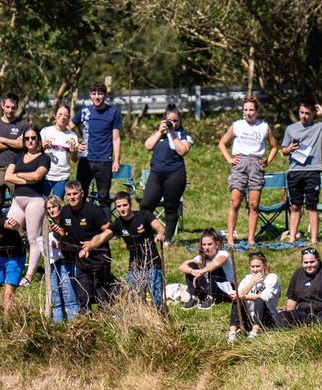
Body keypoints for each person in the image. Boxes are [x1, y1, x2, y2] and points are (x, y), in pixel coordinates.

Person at [82, 192, 166, 313]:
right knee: (134, 301)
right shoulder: (118, 224)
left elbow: (159, 227)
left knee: (156, 301)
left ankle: (162, 324)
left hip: (152, 264)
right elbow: (101, 237)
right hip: (135, 267)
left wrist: (159, 234)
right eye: (119, 206)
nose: (122, 209)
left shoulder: (144, 215)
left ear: (130, 204)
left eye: (125, 205)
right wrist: (89, 246)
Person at [217, 97, 277, 245]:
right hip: (240, 164)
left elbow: (275, 146)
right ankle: (230, 237)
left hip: (256, 164)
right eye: (245, 110)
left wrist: (267, 160)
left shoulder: (264, 126)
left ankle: (251, 238)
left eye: (251, 110)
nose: (248, 113)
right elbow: (222, 143)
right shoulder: (237, 125)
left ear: (257, 111)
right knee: (235, 202)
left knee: (254, 205)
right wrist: (230, 159)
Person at [280, 100, 322, 244]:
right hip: (295, 170)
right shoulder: (291, 129)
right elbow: (283, 150)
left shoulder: (318, 127)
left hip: (313, 171)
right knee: (295, 205)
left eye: (308, 113)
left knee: (312, 205)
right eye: (302, 113)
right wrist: (288, 150)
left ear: (313, 114)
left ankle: (314, 239)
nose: (304, 116)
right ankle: (292, 238)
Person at [53, 181, 114, 313]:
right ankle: (86, 325)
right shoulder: (65, 211)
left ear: (82, 193)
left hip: (99, 256)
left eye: (75, 193)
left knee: (101, 294)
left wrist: (93, 243)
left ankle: (106, 324)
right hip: (81, 259)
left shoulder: (93, 210)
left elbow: (109, 231)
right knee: (83, 296)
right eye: (69, 194)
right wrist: (58, 234)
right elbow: (64, 232)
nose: (72, 197)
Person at [4, 126, 50, 286]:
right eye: (27, 138)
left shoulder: (44, 158)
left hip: (35, 201)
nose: (30, 141)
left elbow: (37, 176)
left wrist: (18, 175)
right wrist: (26, 178)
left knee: (33, 239)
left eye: (33, 138)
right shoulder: (17, 157)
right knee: (8, 228)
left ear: (38, 140)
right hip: (17, 200)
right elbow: (7, 177)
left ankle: (29, 276)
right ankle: (12, 265)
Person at [141, 104, 193, 242]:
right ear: (164, 120)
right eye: (170, 120)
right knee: (146, 205)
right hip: (156, 174)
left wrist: (172, 134)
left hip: (175, 175)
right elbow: (148, 146)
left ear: (180, 121)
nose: (173, 123)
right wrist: (160, 131)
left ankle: (167, 240)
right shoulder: (159, 133)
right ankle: (144, 236)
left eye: (176, 121)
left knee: (171, 206)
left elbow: (183, 151)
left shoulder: (184, 134)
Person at [75, 81, 122, 205]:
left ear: (105, 95)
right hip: (85, 160)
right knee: (80, 196)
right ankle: (81, 224)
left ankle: (105, 225)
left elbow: (116, 139)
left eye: (100, 94)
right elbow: (68, 128)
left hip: (104, 161)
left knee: (103, 198)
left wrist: (116, 160)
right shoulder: (84, 112)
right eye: (94, 93)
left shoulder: (114, 112)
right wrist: (76, 144)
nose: (97, 97)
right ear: (90, 95)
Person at [0, 93, 27, 211]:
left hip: (16, 168)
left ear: (17, 107)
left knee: (19, 202)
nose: (10, 110)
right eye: (7, 107)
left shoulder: (23, 125)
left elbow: (22, 144)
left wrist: (3, 140)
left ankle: (19, 228)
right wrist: (14, 143)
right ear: (2, 106)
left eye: (13, 107)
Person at [227, 252, 281, 342]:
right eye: (253, 267)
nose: (255, 270)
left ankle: (254, 332)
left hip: (267, 318)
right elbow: (237, 297)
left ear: (265, 265)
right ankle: (232, 333)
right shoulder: (247, 279)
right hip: (249, 319)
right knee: (238, 301)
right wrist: (252, 283)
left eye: (258, 266)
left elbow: (262, 297)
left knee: (259, 300)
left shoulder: (272, 278)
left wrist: (241, 296)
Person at [277, 247, 322, 326]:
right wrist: (290, 313)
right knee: (281, 317)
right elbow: (292, 298)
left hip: (321, 309)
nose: (309, 265)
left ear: (318, 260)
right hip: (303, 312)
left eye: (312, 262)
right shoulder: (298, 273)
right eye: (306, 262)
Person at [178, 229, 235, 309]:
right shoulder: (201, 258)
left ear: (217, 244)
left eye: (210, 244)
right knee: (191, 265)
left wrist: (201, 271)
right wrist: (192, 271)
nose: (206, 247)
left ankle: (211, 298)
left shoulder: (223, 253)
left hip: (225, 290)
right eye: (204, 245)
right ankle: (194, 298)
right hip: (208, 288)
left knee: (214, 269)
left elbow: (217, 263)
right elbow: (181, 267)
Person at [44, 196, 79, 323]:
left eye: (54, 207)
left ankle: (74, 326)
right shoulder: (47, 224)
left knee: (69, 297)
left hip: (68, 261)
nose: (52, 210)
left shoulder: (68, 221)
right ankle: (57, 327)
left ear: (60, 206)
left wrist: (63, 243)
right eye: (49, 208)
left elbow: (76, 241)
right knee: (56, 299)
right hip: (53, 262)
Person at [40, 103, 79, 197]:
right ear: (55, 115)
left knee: (57, 206)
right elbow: (35, 152)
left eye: (66, 115)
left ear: (69, 118)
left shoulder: (72, 136)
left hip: (62, 177)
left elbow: (74, 160)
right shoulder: (45, 131)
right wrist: (43, 146)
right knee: (42, 205)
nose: (63, 117)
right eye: (60, 114)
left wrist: (73, 151)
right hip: (45, 175)